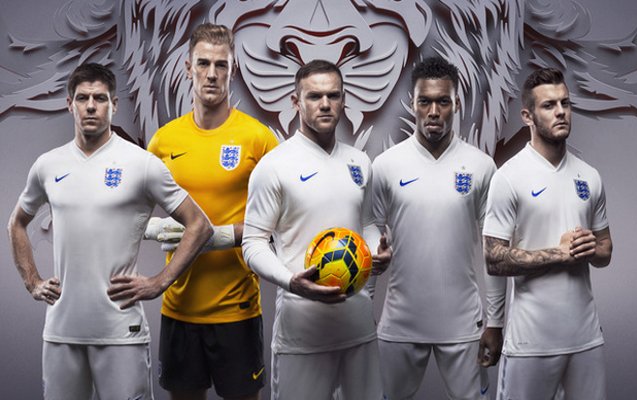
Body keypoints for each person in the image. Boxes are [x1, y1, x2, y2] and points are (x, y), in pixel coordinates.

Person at [7, 63, 212, 400]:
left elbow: (199, 224)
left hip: (121, 331)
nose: (91, 106)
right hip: (61, 331)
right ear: (69, 104)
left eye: (100, 98)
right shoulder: (48, 165)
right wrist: (33, 280)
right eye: (83, 98)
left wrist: (159, 281)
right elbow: (16, 222)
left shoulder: (141, 163)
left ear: (114, 104)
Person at [143, 23, 278, 400]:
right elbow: (131, 211)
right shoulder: (164, 140)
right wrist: (153, 228)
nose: (212, 74)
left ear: (233, 69)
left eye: (222, 65)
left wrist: (219, 236)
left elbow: (281, 222)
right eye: (203, 63)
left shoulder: (259, 138)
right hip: (178, 307)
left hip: (237, 311)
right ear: (188, 67)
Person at [241, 59, 391, 400]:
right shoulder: (274, 167)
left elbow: (366, 224)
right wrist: (291, 282)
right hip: (302, 331)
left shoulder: (359, 162)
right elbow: (253, 243)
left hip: (358, 326)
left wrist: (375, 252)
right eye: (314, 96)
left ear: (343, 100)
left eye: (333, 95)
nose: (325, 104)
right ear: (296, 102)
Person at [369, 56, 506, 399]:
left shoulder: (481, 166)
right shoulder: (386, 166)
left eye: (443, 101)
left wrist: (495, 321)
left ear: (456, 103)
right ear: (412, 104)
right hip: (400, 322)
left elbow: (494, 250)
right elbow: (369, 232)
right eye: (425, 101)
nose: (433, 111)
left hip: (463, 323)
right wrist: (362, 310)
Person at [482, 67, 613, 400]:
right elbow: (494, 259)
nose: (561, 112)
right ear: (527, 115)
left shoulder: (589, 176)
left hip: (586, 339)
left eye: (565, 103)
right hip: (531, 342)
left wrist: (590, 249)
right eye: (549, 105)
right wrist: (560, 253)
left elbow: (606, 250)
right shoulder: (508, 177)